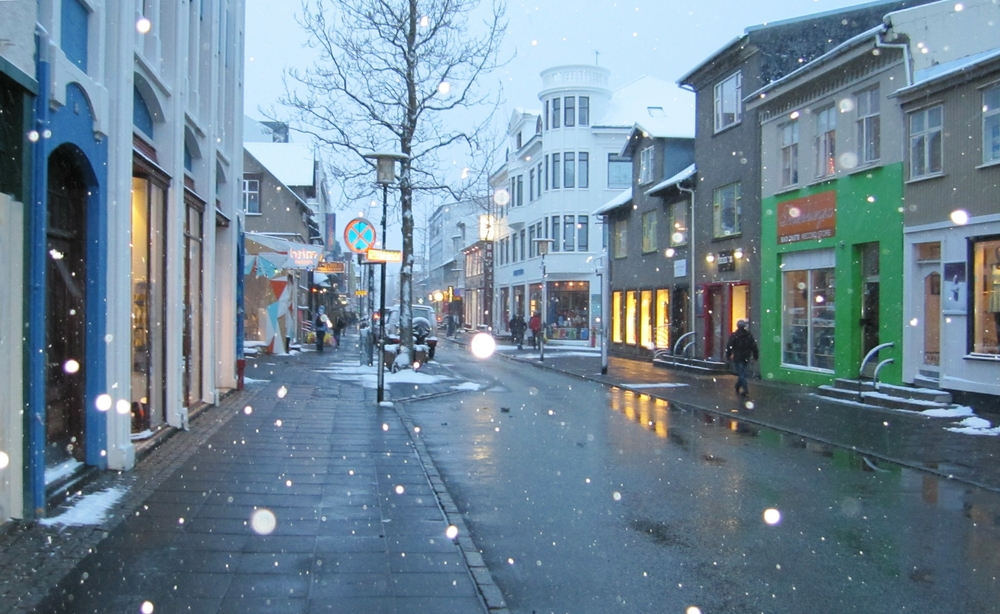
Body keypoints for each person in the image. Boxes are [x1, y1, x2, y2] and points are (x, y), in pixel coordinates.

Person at [726, 319, 759, 399]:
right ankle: (738, 385)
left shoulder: (735, 335)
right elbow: (754, 347)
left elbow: (729, 346)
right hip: (746, 357)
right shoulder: (749, 335)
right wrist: (755, 357)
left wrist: (728, 355)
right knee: (743, 372)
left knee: (741, 373)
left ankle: (745, 389)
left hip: (738, 357)